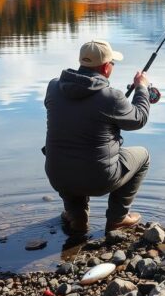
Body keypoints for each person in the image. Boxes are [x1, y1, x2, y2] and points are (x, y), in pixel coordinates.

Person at [44, 39, 151, 233]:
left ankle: (77, 216)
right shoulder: (111, 97)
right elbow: (139, 119)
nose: (112, 66)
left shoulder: (53, 87)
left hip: (58, 176)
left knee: (68, 155)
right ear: (105, 67)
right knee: (143, 156)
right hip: (99, 179)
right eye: (112, 63)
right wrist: (142, 88)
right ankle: (118, 219)